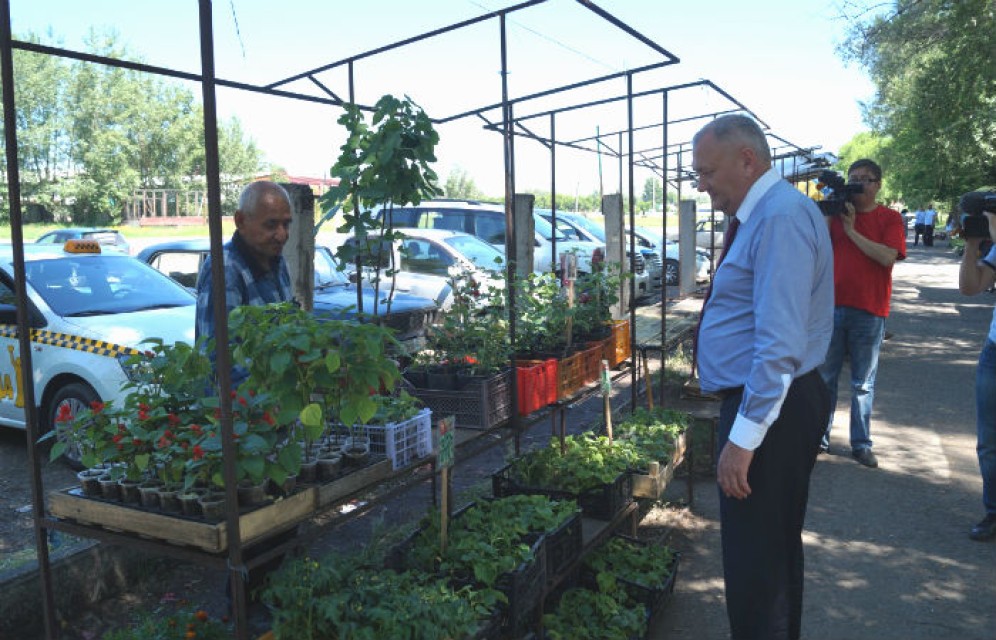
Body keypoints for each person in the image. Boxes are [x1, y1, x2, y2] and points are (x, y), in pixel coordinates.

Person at [693, 114, 833, 640]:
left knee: (758, 564)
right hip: (773, 400)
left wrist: (743, 439)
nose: (702, 186)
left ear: (746, 160)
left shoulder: (778, 218)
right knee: (767, 552)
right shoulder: (768, 214)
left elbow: (778, 344)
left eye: (707, 173)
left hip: (772, 406)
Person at [818, 159, 906, 468]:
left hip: (869, 311)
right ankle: (820, 438)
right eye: (854, 179)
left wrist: (852, 230)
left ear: (878, 184)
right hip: (830, 308)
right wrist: (831, 214)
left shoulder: (890, 218)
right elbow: (817, 247)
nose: (860, 185)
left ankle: (861, 443)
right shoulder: (837, 213)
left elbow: (886, 257)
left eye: (866, 180)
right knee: (825, 378)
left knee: (862, 383)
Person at [195, 180, 294, 386]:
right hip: (241, 411)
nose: (282, 234)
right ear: (240, 221)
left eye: (286, 224)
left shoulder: (276, 261)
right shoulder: (225, 271)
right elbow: (219, 360)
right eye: (271, 224)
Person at [957, 207, 996, 541]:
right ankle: (993, 512)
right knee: (989, 444)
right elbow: (970, 287)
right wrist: (973, 244)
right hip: (994, 353)